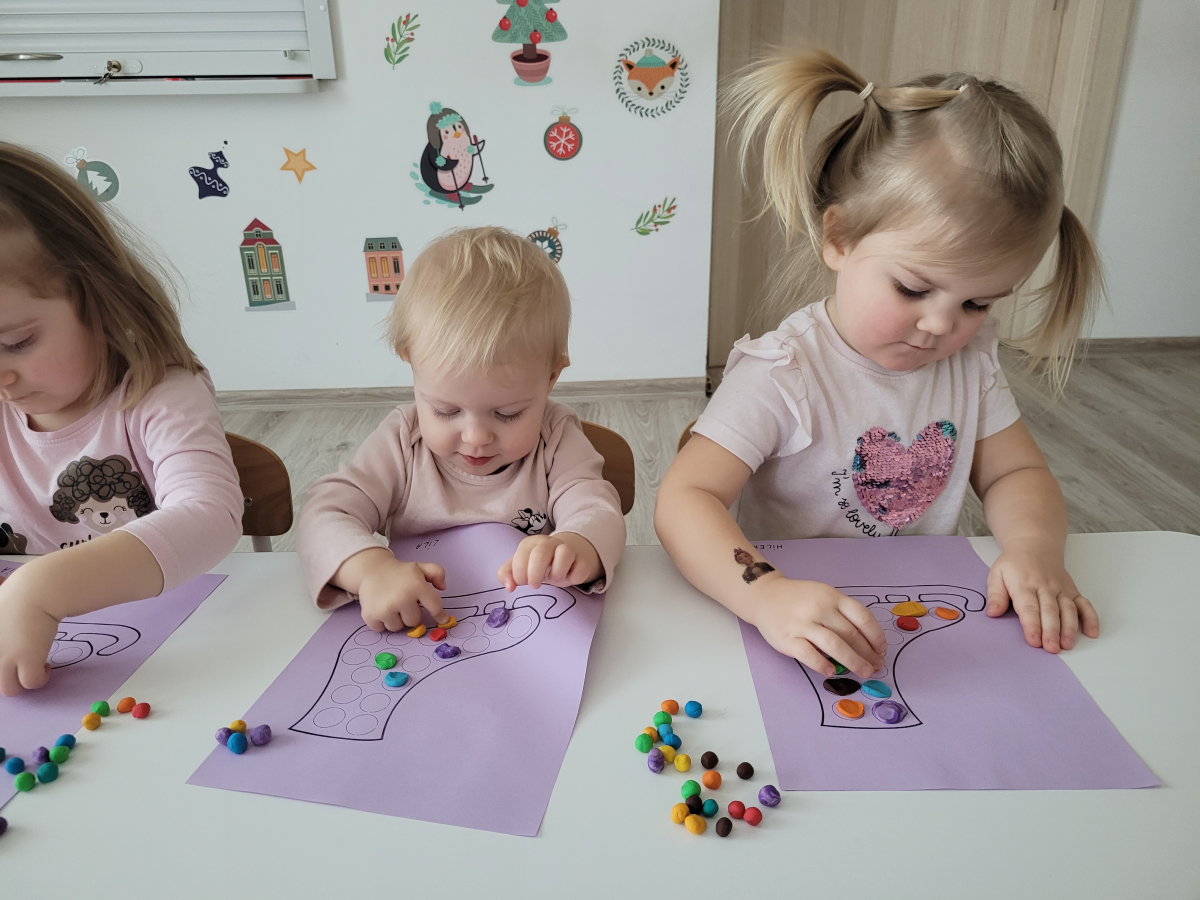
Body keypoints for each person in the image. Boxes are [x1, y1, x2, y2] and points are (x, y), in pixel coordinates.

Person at [655, 48, 1102, 679]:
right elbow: (684, 499)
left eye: (977, 302)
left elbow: (1016, 473)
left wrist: (1034, 549)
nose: (942, 325)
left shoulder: (969, 363)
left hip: (918, 619)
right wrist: (764, 594)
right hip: (793, 623)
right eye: (914, 289)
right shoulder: (783, 372)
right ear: (838, 238)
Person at [0, 142, 243, 696]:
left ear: (97, 298)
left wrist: (40, 589)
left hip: (173, 648)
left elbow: (210, 515)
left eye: (17, 343)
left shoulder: (161, 394)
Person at [297, 226, 625, 630]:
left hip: (530, 624)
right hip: (420, 624)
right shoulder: (403, 441)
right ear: (411, 363)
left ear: (551, 377)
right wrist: (369, 569)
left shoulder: (555, 438)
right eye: (446, 410)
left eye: (507, 413)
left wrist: (575, 545)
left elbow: (597, 509)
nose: (475, 437)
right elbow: (325, 513)